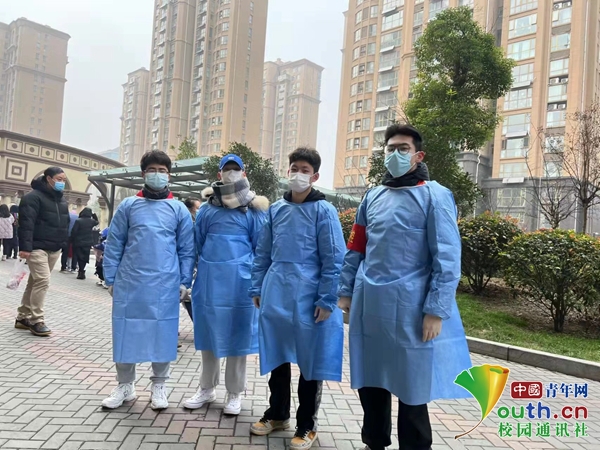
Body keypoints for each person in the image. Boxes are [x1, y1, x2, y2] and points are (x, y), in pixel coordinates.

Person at [337, 125, 472, 450]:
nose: (395, 154)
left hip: (412, 309)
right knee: (371, 382)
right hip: (371, 306)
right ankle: (374, 443)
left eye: (403, 149)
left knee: (412, 389)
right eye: (390, 149)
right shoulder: (372, 196)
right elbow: (357, 246)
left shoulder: (435, 196)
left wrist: (436, 310)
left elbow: (447, 257)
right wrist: (345, 289)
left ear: (418, 155)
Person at [249, 148, 346, 450]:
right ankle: (277, 414)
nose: (298, 174)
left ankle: (307, 424)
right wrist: (257, 287)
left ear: (315, 176)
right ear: (287, 170)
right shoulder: (276, 210)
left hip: (310, 296)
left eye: (305, 170)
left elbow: (334, 258)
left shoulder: (324, 211)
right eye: (294, 168)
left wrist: (327, 299)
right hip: (277, 291)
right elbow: (263, 252)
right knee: (277, 356)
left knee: (310, 361)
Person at [102, 150, 195, 411]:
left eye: (162, 171)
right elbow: (115, 243)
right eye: (152, 170)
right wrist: (111, 278)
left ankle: (159, 385)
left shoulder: (178, 209)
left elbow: (187, 249)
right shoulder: (128, 206)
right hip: (130, 282)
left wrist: (184, 281)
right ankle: (125, 385)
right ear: (143, 173)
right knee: (125, 331)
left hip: (165, 283)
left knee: (162, 333)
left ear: (169, 175)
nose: (157, 174)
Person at [184, 154, 269, 415]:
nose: (232, 173)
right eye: (227, 169)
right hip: (209, 282)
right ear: (219, 174)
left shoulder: (254, 210)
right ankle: (206, 388)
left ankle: (235, 392)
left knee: (238, 338)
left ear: (244, 173)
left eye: (236, 169)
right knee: (208, 336)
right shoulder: (207, 210)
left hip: (240, 285)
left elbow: (261, 249)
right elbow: (196, 245)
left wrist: (257, 284)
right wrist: (187, 279)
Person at [15, 167, 70, 336]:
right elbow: (26, 224)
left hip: (54, 248)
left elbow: (65, 223)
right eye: (59, 179)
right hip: (36, 247)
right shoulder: (32, 197)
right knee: (43, 281)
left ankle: (22, 317)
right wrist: (25, 247)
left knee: (34, 282)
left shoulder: (61, 200)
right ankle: (36, 320)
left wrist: (63, 243)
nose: (62, 183)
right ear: (48, 178)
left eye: (64, 180)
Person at [70, 207, 99, 280]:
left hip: (79, 241)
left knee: (79, 256)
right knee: (85, 257)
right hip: (88, 242)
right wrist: (94, 215)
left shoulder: (78, 221)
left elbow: (74, 231)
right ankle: (82, 271)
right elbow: (97, 222)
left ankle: (80, 271)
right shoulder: (91, 221)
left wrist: (71, 239)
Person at [60, 208, 79, 273]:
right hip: (75, 237)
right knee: (75, 253)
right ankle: (73, 267)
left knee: (65, 252)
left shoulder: (67, 216)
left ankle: (63, 267)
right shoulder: (78, 217)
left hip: (66, 236)